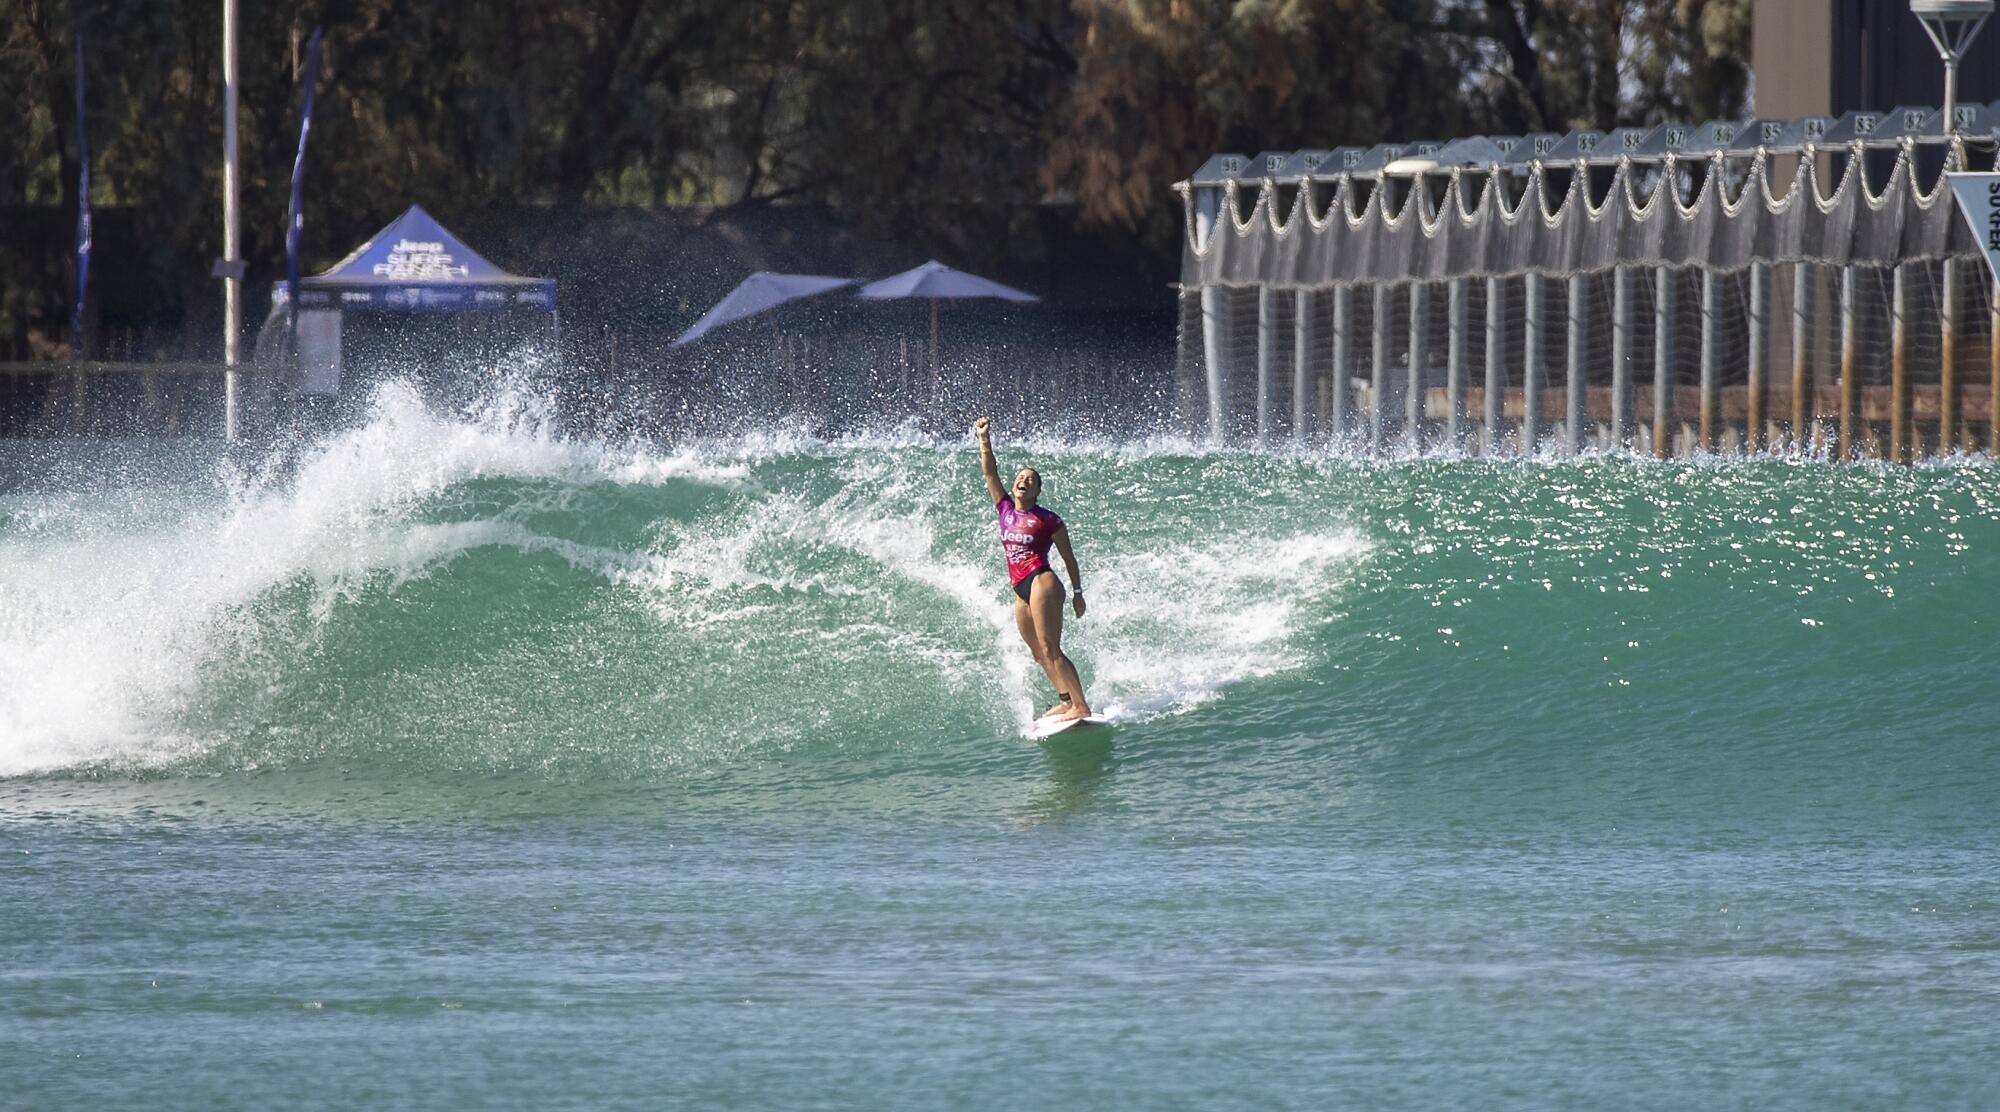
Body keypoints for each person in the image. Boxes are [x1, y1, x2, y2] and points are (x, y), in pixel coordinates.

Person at [974, 417, 1091, 721]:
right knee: (1038, 653)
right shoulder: (1005, 510)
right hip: (1020, 590)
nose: (1023, 480)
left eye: (1031, 479)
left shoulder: (1048, 519)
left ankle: (1081, 706)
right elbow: (989, 472)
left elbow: (1069, 558)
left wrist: (1078, 593)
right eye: (1020, 477)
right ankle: (1066, 700)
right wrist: (984, 438)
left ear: (1037, 491)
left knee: (1052, 648)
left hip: (1042, 582)